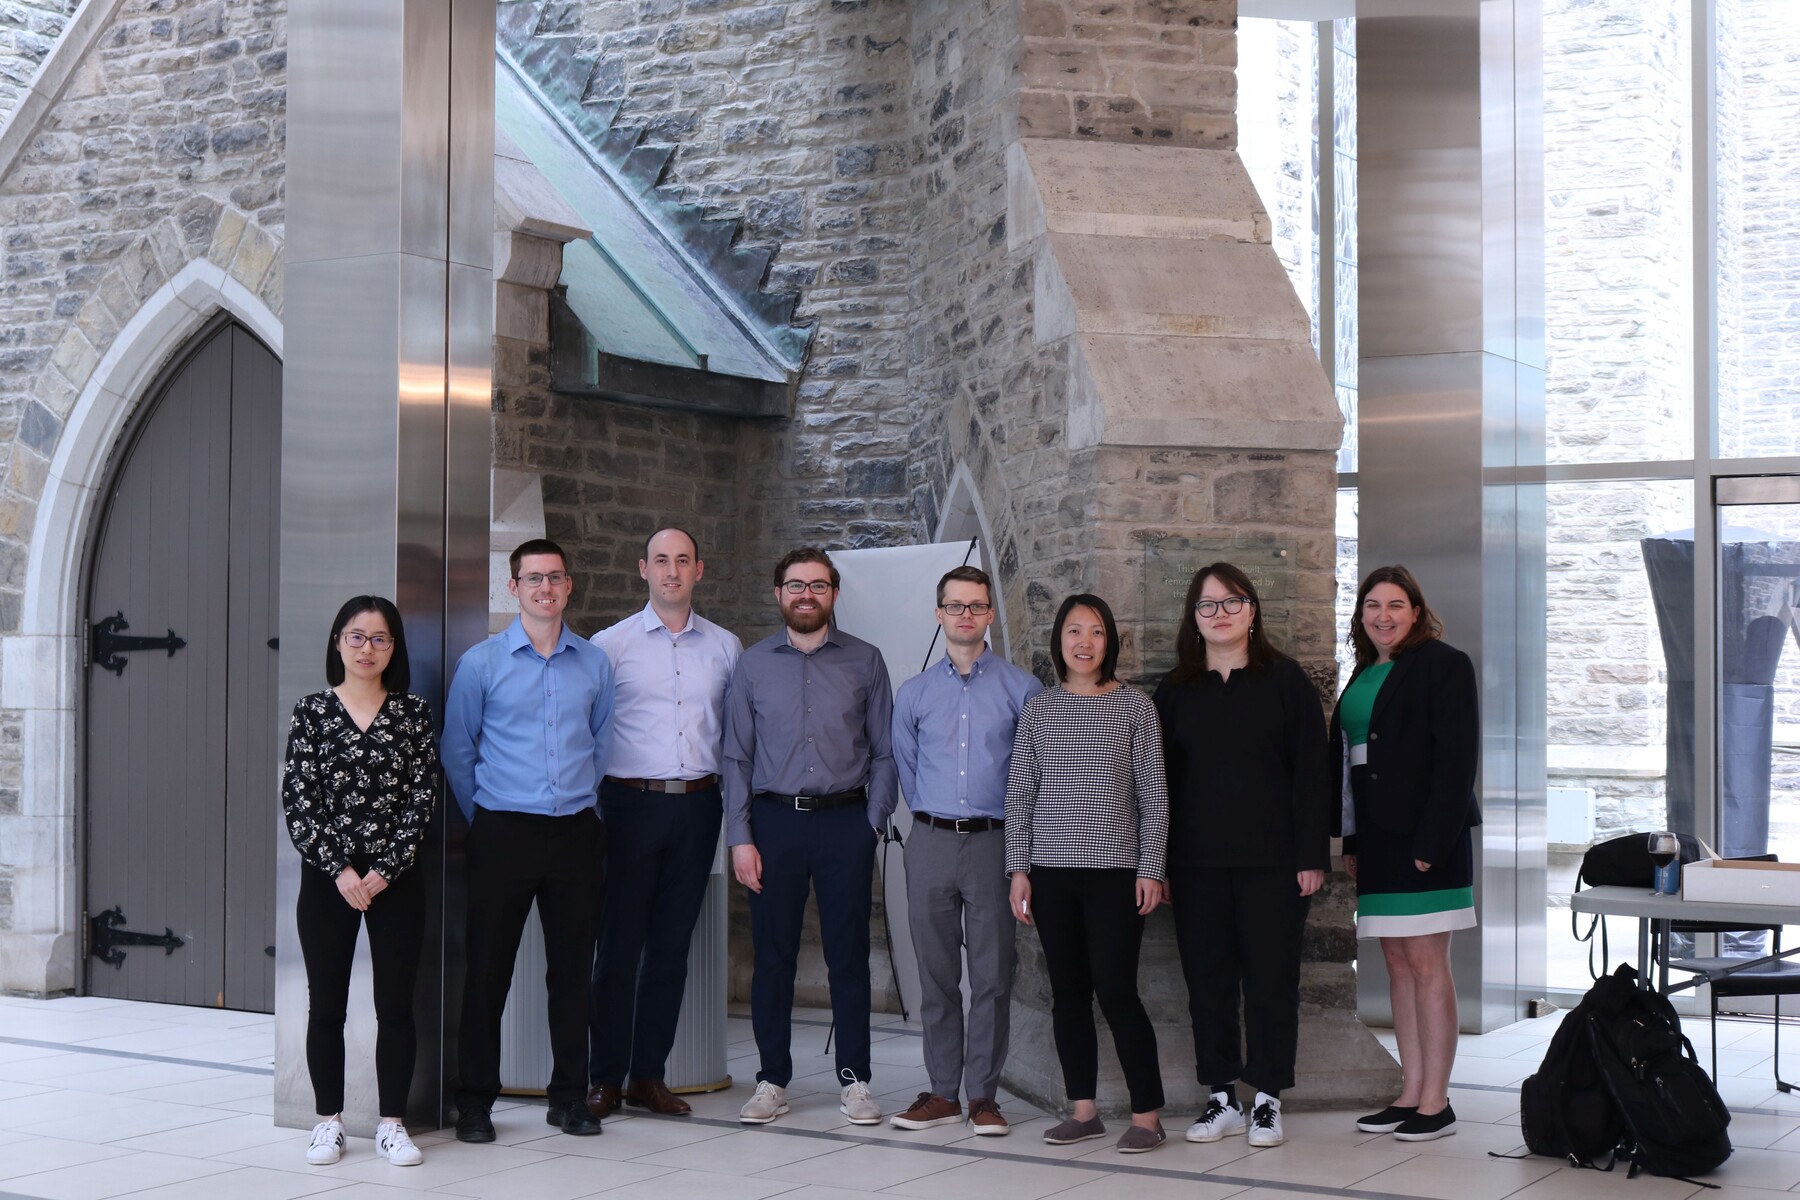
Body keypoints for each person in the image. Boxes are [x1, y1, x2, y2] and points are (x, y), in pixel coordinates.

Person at [442, 538, 615, 1142]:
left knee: (572, 975)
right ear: (511, 588)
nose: (545, 587)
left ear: (570, 586)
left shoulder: (595, 664)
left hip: (574, 836)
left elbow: (600, 747)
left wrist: (579, 809)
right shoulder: (481, 664)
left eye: (556, 577)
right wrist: (487, 818)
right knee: (488, 973)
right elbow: (458, 752)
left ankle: (569, 1098)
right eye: (533, 578)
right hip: (502, 834)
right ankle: (474, 1103)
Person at [1152, 564, 1328, 1149]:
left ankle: (1269, 1099)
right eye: (1207, 606)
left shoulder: (1286, 682)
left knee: (1271, 983)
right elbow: (1159, 785)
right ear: (1193, 620)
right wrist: (1163, 865)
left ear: (1253, 611)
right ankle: (1221, 1097)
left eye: (1232, 602)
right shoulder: (1175, 692)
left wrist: (1311, 855)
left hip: (1275, 864)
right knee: (1208, 983)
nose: (1220, 613)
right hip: (1197, 865)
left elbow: (1311, 774)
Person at [725, 547, 897, 1127]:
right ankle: (772, 1079)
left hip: (846, 821)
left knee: (848, 955)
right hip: (772, 824)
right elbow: (736, 757)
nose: (806, 595)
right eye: (795, 585)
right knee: (772, 956)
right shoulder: (751, 666)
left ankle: (855, 1080)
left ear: (833, 594)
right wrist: (740, 837)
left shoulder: (865, 661)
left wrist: (871, 824)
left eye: (817, 586)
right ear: (779, 594)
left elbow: (886, 751)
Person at [586, 528, 742, 1119]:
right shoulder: (610, 646)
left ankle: (647, 1075)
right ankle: (604, 1077)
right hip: (628, 807)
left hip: (699, 807)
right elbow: (590, 729)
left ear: (699, 570)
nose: (671, 571)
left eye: (682, 561)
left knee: (671, 948)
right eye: (660, 561)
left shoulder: (726, 648)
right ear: (642, 569)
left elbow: (735, 737)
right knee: (618, 947)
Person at [1005, 593, 1170, 1153]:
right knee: (1068, 993)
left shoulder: (1135, 707)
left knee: (1118, 991)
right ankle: (1083, 1111)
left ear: (1109, 642)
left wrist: (1151, 868)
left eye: (1095, 632)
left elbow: (1155, 794)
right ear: (1060, 641)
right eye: (1073, 631)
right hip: (1051, 874)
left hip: (1116, 874)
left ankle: (1147, 1116)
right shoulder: (1040, 709)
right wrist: (1018, 870)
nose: (1083, 642)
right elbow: (1021, 793)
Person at [282, 595, 436, 1168]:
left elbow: (422, 801)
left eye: (380, 639)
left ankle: (393, 1124)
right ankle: (329, 1122)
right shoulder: (312, 711)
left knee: (396, 1005)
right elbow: (299, 801)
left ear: (394, 648)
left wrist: (382, 873)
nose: (367, 648)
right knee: (327, 1005)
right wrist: (343, 871)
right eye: (356, 636)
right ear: (337, 642)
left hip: (396, 880)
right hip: (329, 880)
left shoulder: (413, 714)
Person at [889, 565, 1041, 1137]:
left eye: (976, 606)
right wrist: (928, 817)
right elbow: (905, 765)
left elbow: (1033, 776)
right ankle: (941, 1091)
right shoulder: (915, 694)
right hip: (928, 841)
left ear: (989, 615)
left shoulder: (1022, 689)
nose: (965, 615)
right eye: (955, 606)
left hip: (994, 844)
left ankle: (983, 1096)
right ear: (939, 614)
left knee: (992, 976)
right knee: (935, 975)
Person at [1333, 565, 1480, 1143]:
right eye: (1372, 605)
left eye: (1395, 605)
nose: (1383, 616)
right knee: (1395, 963)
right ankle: (1410, 1091)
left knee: (1426, 964)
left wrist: (1432, 842)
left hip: (1426, 839)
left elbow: (1456, 758)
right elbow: (1353, 764)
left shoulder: (1445, 664)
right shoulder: (1366, 671)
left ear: (1416, 611)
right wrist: (1353, 840)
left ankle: (1437, 1102)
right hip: (1377, 838)